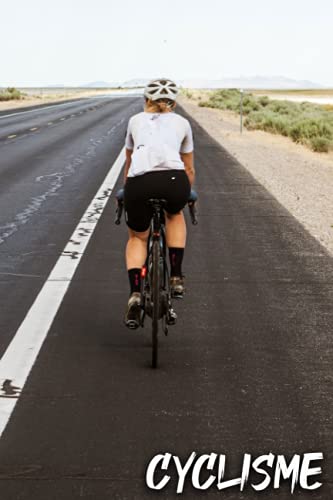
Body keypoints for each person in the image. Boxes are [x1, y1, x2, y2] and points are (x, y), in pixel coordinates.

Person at [123, 78, 195, 328]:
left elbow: (129, 162)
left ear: (146, 100)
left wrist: (127, 191)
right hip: (174, 180)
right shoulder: (183, 123)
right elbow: (188, 168)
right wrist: (188, 193)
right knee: (174, 215)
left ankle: (135, 293)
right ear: (173, 103)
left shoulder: (135, 121)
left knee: (137, 237)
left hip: (139, 183)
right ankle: (175, 276)